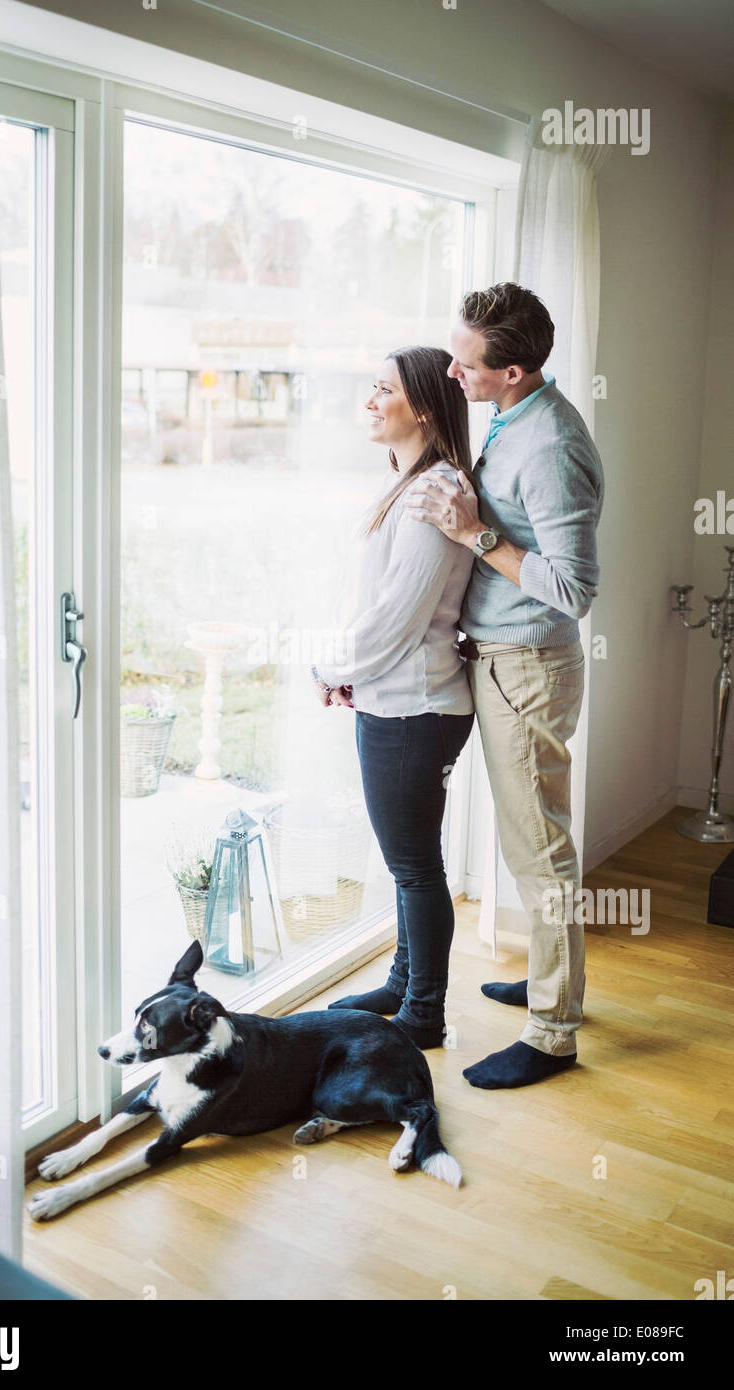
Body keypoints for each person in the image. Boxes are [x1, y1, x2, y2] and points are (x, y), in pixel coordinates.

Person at [404, 282, 604, 1089]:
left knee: (540, 851)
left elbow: (573, 587)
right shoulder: (513, 419)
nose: (453, 371)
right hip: (500, 658)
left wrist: (473, 533)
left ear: (514, 371)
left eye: (467, 362)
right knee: (531, 841)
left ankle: (554, 1030)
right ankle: (558, 983)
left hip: (529, 668)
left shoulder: (550, 445)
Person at [311, 346, 476, 1050]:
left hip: (417, 708)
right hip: (403, 698)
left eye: (384, 390)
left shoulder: (429, 495)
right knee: (413, 859)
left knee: (414, 865)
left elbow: (397, 618)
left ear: (427, 409)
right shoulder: (412, 484)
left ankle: (424, 1015)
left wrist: (327, 664)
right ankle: (404, 983)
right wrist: (356, 671)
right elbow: (384, 609)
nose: (371, 401)